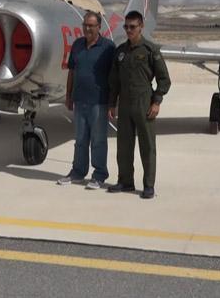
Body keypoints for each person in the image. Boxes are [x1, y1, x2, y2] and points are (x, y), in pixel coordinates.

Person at [107, 11, 171, 199]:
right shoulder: (120, 52)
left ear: (141, 27)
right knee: (124, 145)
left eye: (132, 27)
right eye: (126, 27)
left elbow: (164, 79)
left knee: (147, 146)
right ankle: (125, 181)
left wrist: (156, 101)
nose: (128, 30)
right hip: (125, 103)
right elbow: (114, 81)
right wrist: (112, 103)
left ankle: (148, 185)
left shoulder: (151, 50)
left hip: (144, 102)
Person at [57, 11, 116, 189]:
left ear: (99, 27)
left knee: (98, 140)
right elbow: (72, 72)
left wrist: (113, 102)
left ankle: (99, 175)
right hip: (80, 100)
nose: (87, 28)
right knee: (80, 139)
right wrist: (68, 96)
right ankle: (77, 172)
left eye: (91, 25)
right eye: (85, 25)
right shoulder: (77, 45)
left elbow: (114, 76)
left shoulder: (108, 47)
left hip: (99, 102)